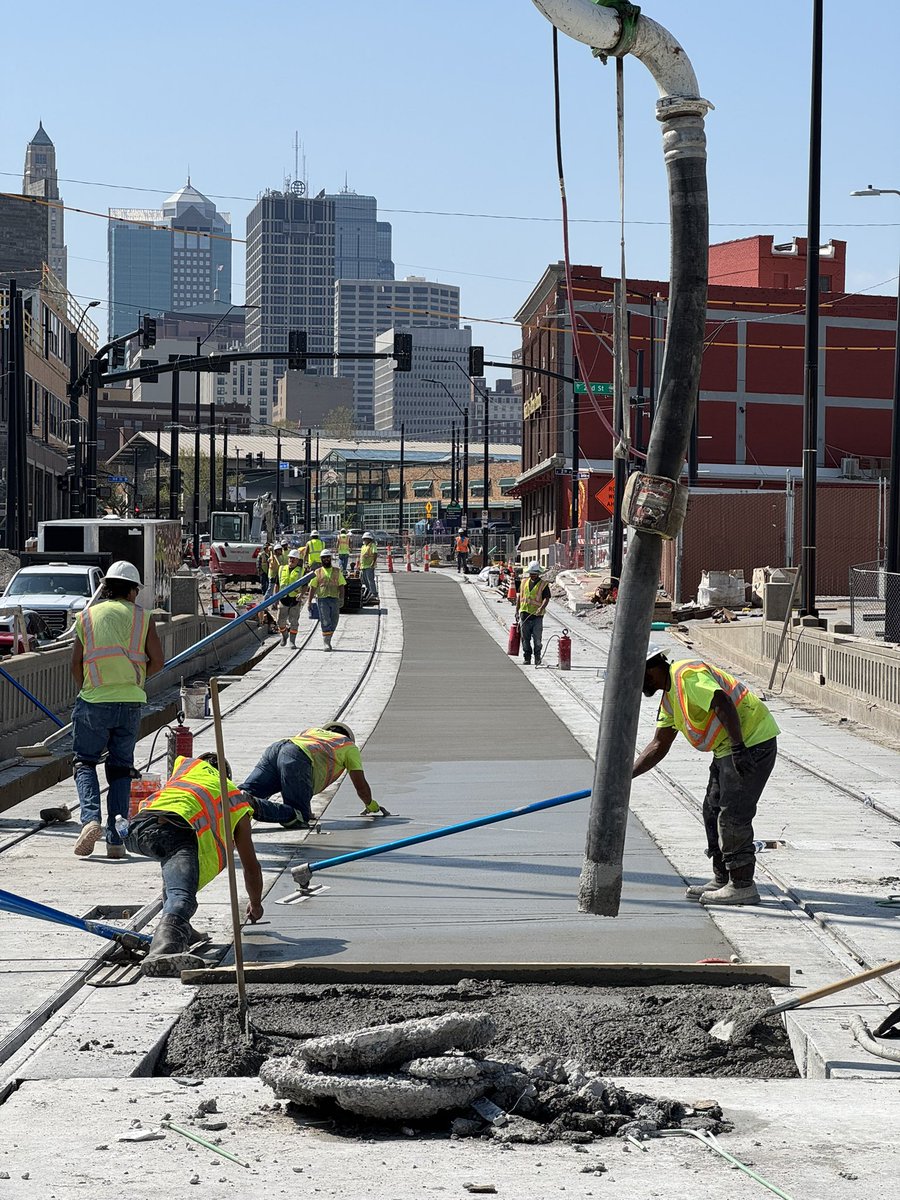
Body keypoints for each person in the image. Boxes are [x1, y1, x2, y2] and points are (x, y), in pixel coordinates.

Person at [633, 646, 780, 906]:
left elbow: (721, 700)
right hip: (731, 747)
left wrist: (738, 748)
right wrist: (624, 776)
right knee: (712, 809)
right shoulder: (670, 697)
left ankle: (742, 885)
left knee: (733, 814)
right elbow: (658, 745)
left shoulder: (685, 676)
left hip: (750, 743)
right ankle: (722, 878)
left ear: (650, 669)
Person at [124, 751, 263, 976]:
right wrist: (256, 903)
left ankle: (181, 930)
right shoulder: (234, 797)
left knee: (174, 880)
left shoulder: (186, 771)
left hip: (137, 828)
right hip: (176, 831)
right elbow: (251, 867)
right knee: (183, 898)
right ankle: (162, 952)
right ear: (226, 776)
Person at [70, 560, 164, 859]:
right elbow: (157, 661)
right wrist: (134, 681)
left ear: (107, 588)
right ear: (133, 591)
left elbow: (75, 663)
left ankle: (91, 819)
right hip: (130, 701)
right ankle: (115, 839)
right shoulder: (142, 617)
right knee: (121, 769)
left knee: (85, 762)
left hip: (94, 699)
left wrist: (89, 688)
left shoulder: (86, 617)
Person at [240, 721, 388, 828]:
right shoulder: (348, 746)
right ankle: (254, 804)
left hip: (276, 749)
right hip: (297, 756)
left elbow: (299, 778)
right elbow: (360, 785)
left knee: (238, 796)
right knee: (299, 816)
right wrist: (371, 805)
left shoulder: (311, 732)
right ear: (348, 736)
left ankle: (228, 799)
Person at [307, 547, 345, 650]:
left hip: (334, 599)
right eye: (324, 558)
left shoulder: (337, 571)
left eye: (328, 557)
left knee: (335, 620)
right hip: (322, 599)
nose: (326, 559)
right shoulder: (318, 572)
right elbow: (313, 587)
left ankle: (329, 636)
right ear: (321, 559)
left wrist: (342, 598)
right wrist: (309, 601)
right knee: (325, 620)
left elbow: (341, 585)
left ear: (331, 558)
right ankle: (326, 642)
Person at [516, 562, 551, 666]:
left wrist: (541, 608)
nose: (533, 575)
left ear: (538, 573)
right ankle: (527, 658)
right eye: (531, 573)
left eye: (535, 573)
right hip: (524, 614)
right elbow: (519, 597)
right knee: (525, 639)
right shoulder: (523, 582)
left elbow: (546, 598)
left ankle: (537, 657)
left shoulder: (543, 584)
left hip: (537, 616)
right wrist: (516, 610)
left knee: (537, 639)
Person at [277, 547, 306, 648]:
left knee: (294, 622)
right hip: (283, 599)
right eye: (290, 558)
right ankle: (284, 635)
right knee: (280, 621)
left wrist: (301, 594)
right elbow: (277, 584)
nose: (291, 560)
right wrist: (274, 598)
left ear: (297, 560)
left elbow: (305, 585)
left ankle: (292, 641)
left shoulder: (301, 571)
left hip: (295, 600)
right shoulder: (281, 569)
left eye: (294, 558)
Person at [359, 531, 379, 601]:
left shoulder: (372, 545)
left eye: (366, 539)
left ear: (369, 539)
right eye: (364, 539)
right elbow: (361, 556)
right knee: (365, 580)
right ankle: (369, 592)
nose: (364, 540)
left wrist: (373, 563)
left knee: (370, 580)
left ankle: (374, 593)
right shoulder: (363, 546)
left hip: (369, 566)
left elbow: (375, 554)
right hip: (363, 566)